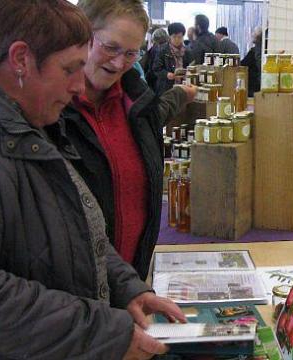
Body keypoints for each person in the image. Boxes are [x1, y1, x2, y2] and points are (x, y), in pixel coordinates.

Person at [0, 1, 184, 359]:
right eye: (70, 69)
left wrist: (124, 286)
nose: (77, 86)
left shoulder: (28, 123)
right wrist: (103, 332)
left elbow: (74, 228)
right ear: (20, 59)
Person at [63, 0, 196, 281]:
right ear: (81, 36)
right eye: (110, 47)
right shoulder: (51, 112)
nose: (119, 62)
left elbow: (157, 112)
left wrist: (182, 94)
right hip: (74, 294)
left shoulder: (135, 103)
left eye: (131, 53)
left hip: (130, 282)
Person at [153, 22, 193, 96]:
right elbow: (156, 68)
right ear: (169, 36)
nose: (177, 39)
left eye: (180, 37)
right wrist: (167, 74)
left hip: (183, 87)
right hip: (166, 88)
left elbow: (191, 66)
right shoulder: (162, 50)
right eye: (174, 37)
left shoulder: (187, 51)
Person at [241, 27, 262, 97]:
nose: (252, 35)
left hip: (253, 85)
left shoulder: (254, 50)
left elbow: (243, 64)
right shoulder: (264, 48)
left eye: (253, 33)